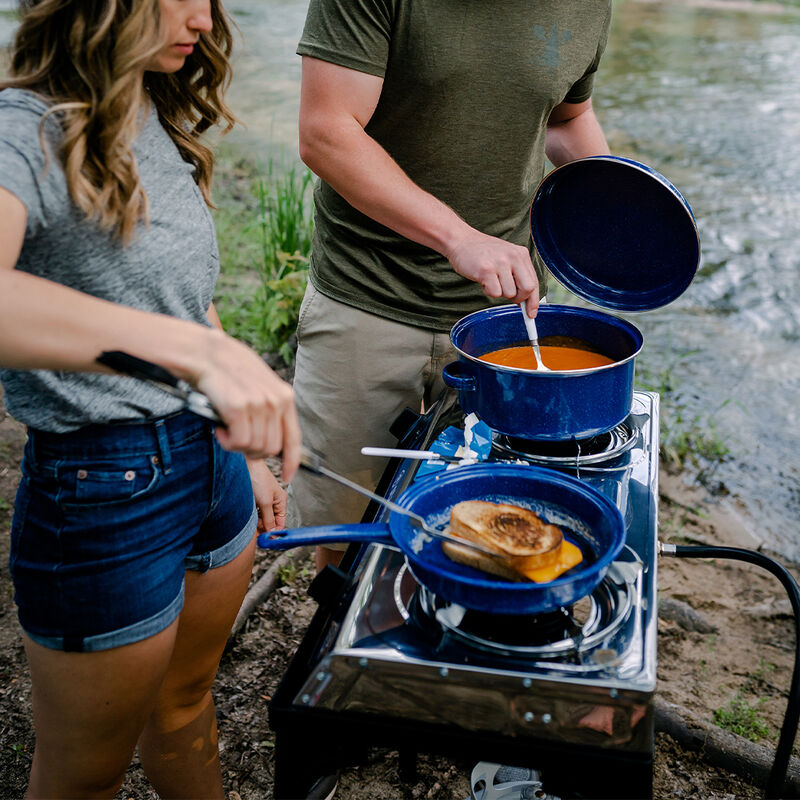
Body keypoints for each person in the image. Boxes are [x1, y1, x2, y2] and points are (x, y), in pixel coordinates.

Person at [0, 1, 302, 797]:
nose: (204, 17)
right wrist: (197, 353)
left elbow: (183, 297)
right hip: (103, 491)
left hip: (213, 468)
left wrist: (250, 451)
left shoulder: (148, 104)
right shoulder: (21, 127)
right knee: (83, 776)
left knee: (187, 707)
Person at [289, 0, 613, 573]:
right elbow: (327, 133)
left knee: (487, 523)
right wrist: (459, 238)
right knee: (347, 533)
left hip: (506, 313)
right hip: (369, 294)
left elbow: (565, 119)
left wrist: (618, 207)